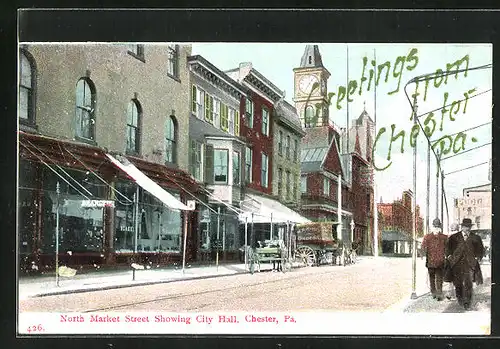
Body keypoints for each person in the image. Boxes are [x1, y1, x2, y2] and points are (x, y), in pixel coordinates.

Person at [446, 218, 484, 310]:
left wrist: (478, 257)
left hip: (469, 264)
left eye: (469, 227)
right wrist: (450, 257)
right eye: (465, 227)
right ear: (462, 227)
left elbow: (481, 250)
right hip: (456, 264)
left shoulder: (476, 238)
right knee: (458, 284)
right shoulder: (454, 237)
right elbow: (448, 249)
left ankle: (467, 302)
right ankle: (460, 300)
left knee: (468, 284)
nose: (467, 229)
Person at [421, 218, 448, 301]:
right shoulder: (427, 237)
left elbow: (447, 249)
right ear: (432, 227)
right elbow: (423, 247)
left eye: (438, 226)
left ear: (440, 227)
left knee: (439, 279)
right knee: (432, 279)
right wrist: (422, 254)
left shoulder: (444, 237)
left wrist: (447, 256)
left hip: (440, 262)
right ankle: (433, 292)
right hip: (431, 262)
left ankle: (439, 294)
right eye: (435, 226)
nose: (436, 228)